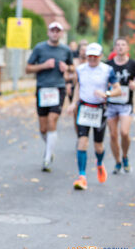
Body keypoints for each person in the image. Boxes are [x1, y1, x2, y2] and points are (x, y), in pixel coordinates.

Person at [67, 43, 121, 190]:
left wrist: (106, 94)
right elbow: (79, 86)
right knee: (82, 142)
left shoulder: (107, 70)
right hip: (84, 108)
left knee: (98, 146)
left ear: (100, 56)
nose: (92, 59)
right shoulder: (81, 69)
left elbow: (118, 90)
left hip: (99, 110)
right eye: (89, 56)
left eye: (95, 56)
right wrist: (73, 103)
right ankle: (82, 176)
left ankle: (99, 163)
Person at [25, 21, 73, 172]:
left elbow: (72, 67)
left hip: (58, 89)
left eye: (58, 31)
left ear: (61, 33)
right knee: (43, 128)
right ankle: (49, 148)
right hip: (43, 89)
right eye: (53, 30)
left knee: (53, 120)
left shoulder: (66, 50)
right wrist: (44, 66)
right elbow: (28, 68)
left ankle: (47, 158)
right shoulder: (39, 48)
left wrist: (67, 68)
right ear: (48, 32)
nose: (55, 33)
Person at [105, 37, 135, 174]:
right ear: (115, 48)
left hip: (125, 104)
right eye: (118, 45)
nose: (120, 47)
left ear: (127, 48)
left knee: (124, 132)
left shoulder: (133, 64)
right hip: (111, 104)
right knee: (112, 135)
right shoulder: (108, 65)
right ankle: (117, 162)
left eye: (123, 45)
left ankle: (125, 156)